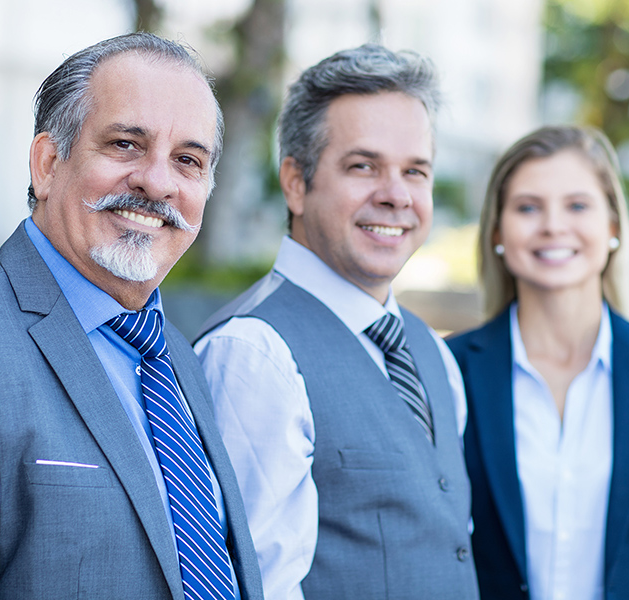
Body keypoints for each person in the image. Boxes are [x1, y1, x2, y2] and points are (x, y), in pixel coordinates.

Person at [0, 33, 264, 600]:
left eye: (187, 161)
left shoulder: (174, 357)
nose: (157, 182)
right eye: (125, 144)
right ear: (47, 164)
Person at [194, 44, 479, 600]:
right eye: (363, 166)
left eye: (415, 171)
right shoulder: (254, 355)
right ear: (295, 182)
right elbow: (258, 585)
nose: (396, 196)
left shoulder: (433, 354)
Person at [446, 125, 629, 600]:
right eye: (527, 207)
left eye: (577, 206)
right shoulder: (447, 369)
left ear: (613, 227)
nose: (553, 226)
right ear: (497, 231)